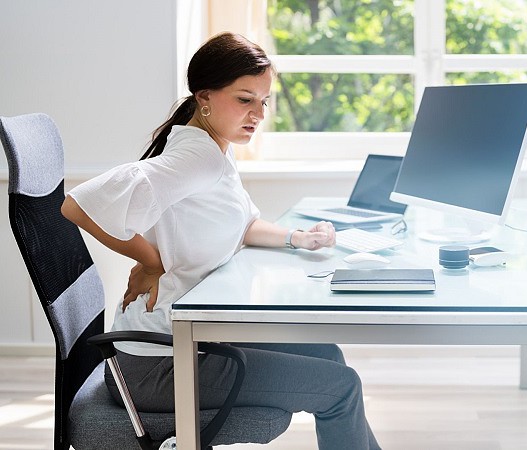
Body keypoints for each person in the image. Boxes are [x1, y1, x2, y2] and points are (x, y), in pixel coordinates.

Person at [61, 32, 381, 450]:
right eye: (245, 99)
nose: (258, 114)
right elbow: (77, 206)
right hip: (159, 365)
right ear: (205, 97)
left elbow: (243, 224)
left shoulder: (213, 149)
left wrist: (297, 237)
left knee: (327, 355)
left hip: (186, 340)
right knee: (341, 386)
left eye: (264, 101)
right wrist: (151, 260)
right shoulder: (193, 159)